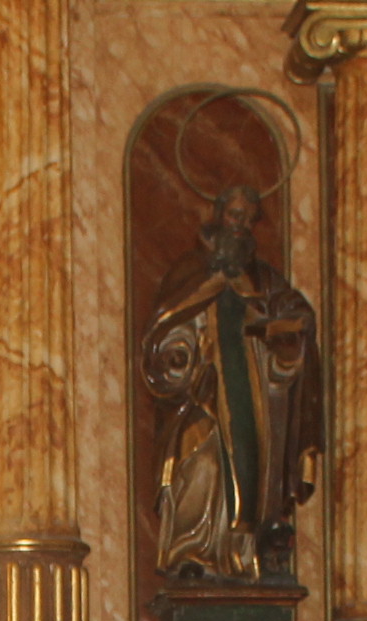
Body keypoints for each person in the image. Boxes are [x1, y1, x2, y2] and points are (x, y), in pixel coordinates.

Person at [142, 183, 322, 588]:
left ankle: (241, 556)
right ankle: (189, 552)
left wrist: (281, 338)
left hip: (250, 398)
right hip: (202, 394)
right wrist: (184, 358)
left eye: (248, 218)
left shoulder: (263, 279)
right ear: (219, 215)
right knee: (202, 464)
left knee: (250, 471)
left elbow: (298, 317)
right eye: (234, 215)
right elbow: (165, 328)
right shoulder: (189, 272)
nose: (240, 225)